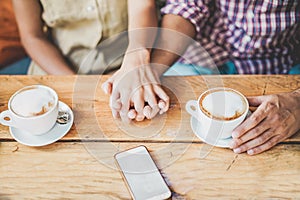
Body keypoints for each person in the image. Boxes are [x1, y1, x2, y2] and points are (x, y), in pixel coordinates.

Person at [103, 0, 300, 155]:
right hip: (202, 53)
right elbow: (188, 6)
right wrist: (148, 71)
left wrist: (297, 100)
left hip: (279, 66)